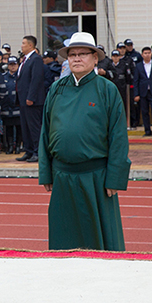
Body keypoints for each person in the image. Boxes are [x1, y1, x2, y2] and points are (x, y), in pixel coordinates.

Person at [39, 32, 130, 251]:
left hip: (96, 177)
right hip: (62, 176)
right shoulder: (56, 89)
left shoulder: (107, 90)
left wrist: (115, 177)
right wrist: (46, 171)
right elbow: (45, 131)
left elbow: (118, 137)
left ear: (95, 57)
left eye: (82, 54)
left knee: (100, 241)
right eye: (72, 55)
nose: (76, 59)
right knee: (64, 238)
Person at [16, 35, 45, 163]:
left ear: (30, 45)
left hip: (31, 100)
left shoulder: (36, 59)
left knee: (34, 127)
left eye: (23, 43)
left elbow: (36, 79)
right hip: (23, 100)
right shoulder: (25, 60)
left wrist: (31, 97)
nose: (21, 45)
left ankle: (37, 152)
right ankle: (28, 150)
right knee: (25, 126)